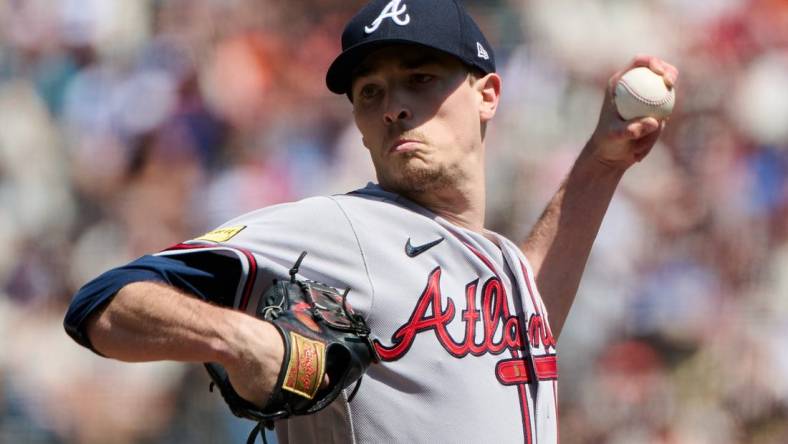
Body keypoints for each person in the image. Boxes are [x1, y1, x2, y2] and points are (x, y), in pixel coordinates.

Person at [64, 0, 678, 443]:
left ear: (488, 93)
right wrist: (242, 340)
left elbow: (527, 315)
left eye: (420, 79)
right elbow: (103, 303)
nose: (394, 107)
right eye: (371, 93)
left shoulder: (496, 261)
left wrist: (601, 165)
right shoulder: (339, 228)